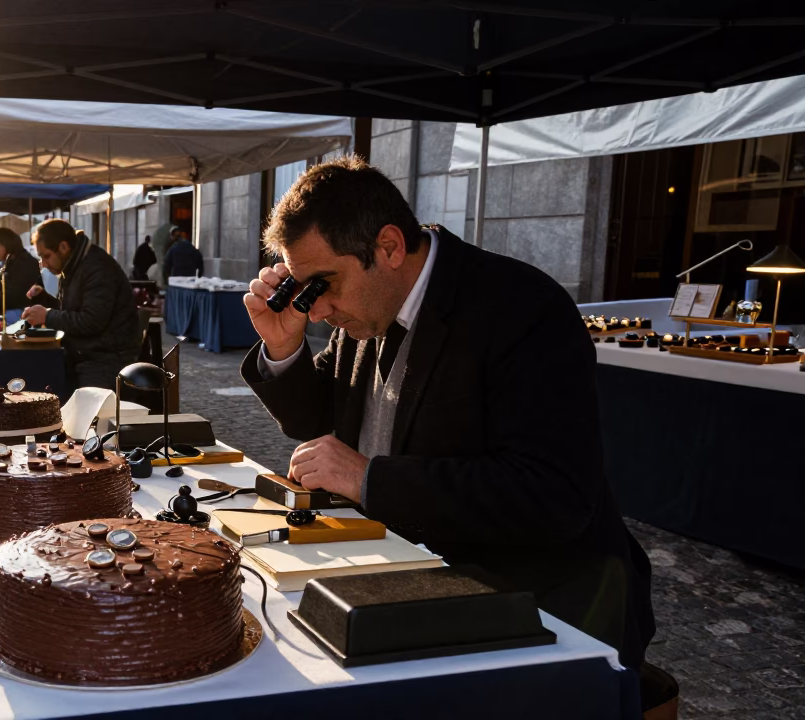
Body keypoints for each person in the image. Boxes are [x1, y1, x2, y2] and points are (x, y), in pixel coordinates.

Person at [240, 156, 654, 670]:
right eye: (306, 292)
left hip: (543, 609)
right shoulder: (367, 310)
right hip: (412, 580)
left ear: (388, 247)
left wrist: (370, 479)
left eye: (324, 284)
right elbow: (315, 419)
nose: (318, 310)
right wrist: (283, 348)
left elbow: (554, 496)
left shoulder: (521, 308)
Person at [21, 220, 139, 389]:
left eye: (46, 256)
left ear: (63, 247)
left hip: (106, 359)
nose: (44, 264)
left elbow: (91, 321)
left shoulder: (97, 268)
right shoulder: (73, 265)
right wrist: (44, 301)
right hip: (83, 354)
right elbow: (73, 309)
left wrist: (47, 315)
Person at [0, 227, 41, 324]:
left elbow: (18, 295)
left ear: (7, 245)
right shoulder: (12, 261)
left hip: (24, 311)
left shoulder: (23, 263)